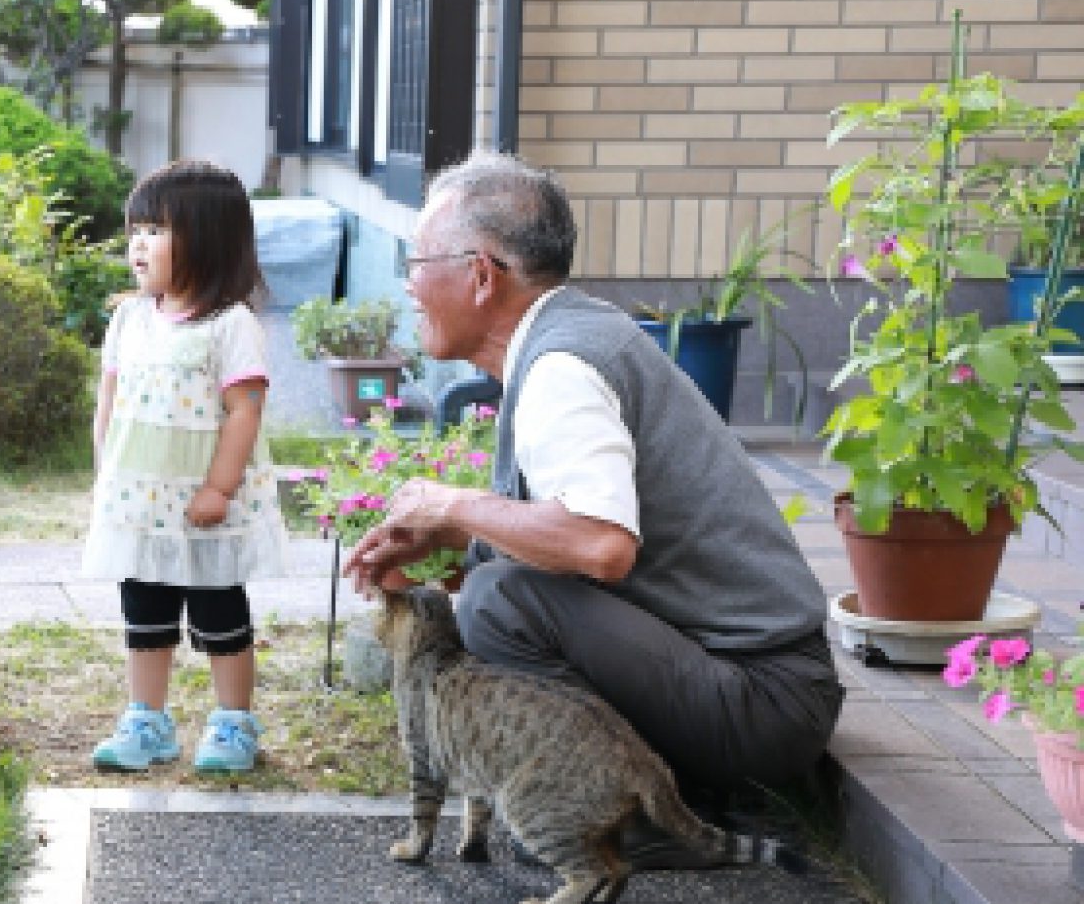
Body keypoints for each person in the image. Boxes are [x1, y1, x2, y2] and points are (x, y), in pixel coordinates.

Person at [345, 151, 843, 851]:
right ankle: (631, 800)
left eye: (416, 259)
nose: (408, 284)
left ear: (480, 275)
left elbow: (600, 547)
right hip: (758, 685)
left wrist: (452, 505)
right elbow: (578, 540)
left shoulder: (560, 367)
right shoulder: (570, 338)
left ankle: (628, 826)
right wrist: (452, 539)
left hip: (762, 703)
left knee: (499, 603)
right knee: (495, 585)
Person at [82, 159, 288, 774]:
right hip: (139, 502)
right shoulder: (129, 319)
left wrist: (218, 488)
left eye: (156, 231)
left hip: (205, 504)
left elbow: (244, 413)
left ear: (207, 240)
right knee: (144, 613)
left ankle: (232, 723)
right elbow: (109, 403)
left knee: (219, 611)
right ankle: (146, 719)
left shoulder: (232, 326)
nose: (138, 245)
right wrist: (104, 472)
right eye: (135, 231)